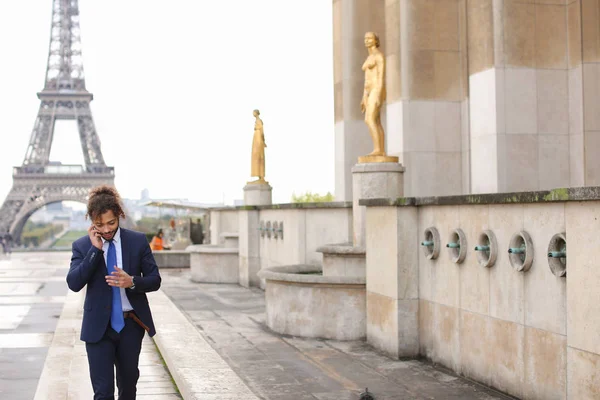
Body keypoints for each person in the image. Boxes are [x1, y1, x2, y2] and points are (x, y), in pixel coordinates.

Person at [66, 185, 161, 400]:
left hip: (130, 326)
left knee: (128, 390)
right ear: (91, 220)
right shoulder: (82, 246)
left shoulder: (137, 241)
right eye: (100, 225)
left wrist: (132, 281)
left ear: (119, 215)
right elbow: (74, 283)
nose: (107, 230)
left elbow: (155, 280)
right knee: (102, 393)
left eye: (111, 223)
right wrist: (95, 250)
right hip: (98, 328)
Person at [360, 31, 387, 157]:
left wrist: (379, 94)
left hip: (376, 89)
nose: (367, 40)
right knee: (376, 120)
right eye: (365, 38)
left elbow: (381, 77)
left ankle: (378, 149)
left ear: (376, 40)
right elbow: (367, 78)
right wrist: (364, 95)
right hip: (369, 91)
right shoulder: (369, 57)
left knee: (369, 119)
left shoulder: (379, 56)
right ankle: (380, 149)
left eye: (370, 38)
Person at [249, 109, 267, 183]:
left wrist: (263, 141)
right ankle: (259, 175)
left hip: (258, 138)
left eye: (254, 112)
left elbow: (262, 132)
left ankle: (261, 176)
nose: (253, 113)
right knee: (256, 157)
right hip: (256, 138)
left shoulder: (259, 121)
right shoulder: (256, 121)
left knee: (260, 156)